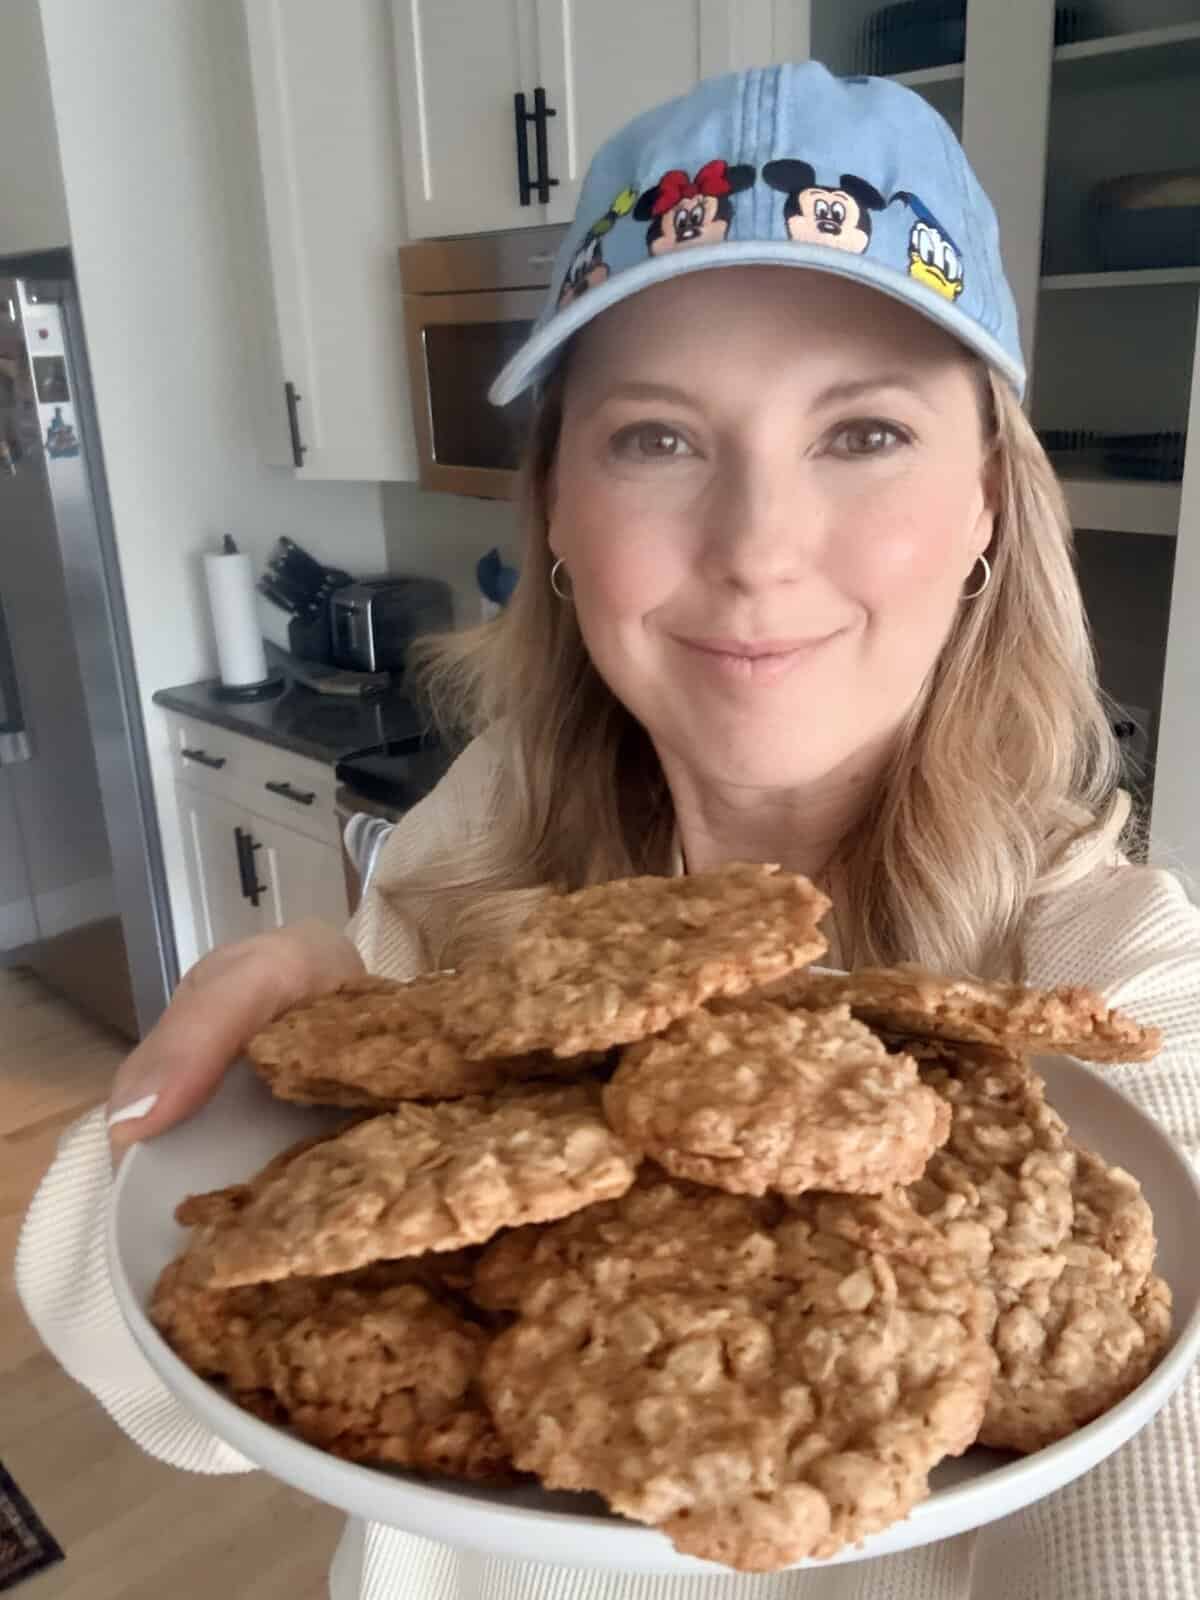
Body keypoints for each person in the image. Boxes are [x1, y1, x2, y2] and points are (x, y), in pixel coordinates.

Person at [16, 59, 1200, 1600]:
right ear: (558, 518)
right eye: (656, 437)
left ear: (989, 503)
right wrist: (182, 1106)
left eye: (862, 433)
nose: (757, 549)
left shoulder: (1125, 972)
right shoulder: (472, 849)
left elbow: (1156, 1511)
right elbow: (182, 1393)